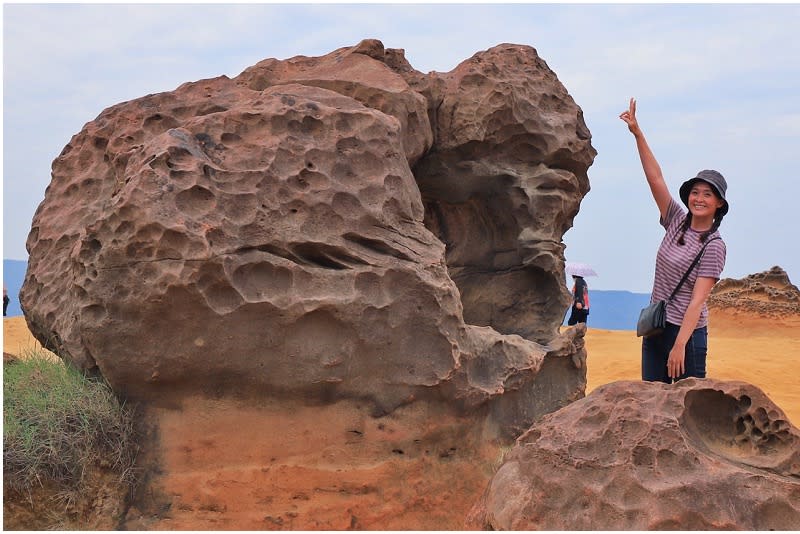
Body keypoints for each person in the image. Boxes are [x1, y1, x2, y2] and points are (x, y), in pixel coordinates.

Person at [620, 98, 727, 383]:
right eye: (695, 192)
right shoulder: (676, 220)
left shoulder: (713, 245)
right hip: (657, 328)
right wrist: (638, 134)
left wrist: (679, 345)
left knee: (685, 410)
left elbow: (698, 301)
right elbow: (655, 178)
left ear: (718, 203)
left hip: (687, 336)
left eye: (707, 194)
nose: (699, 198)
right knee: (651, 403)